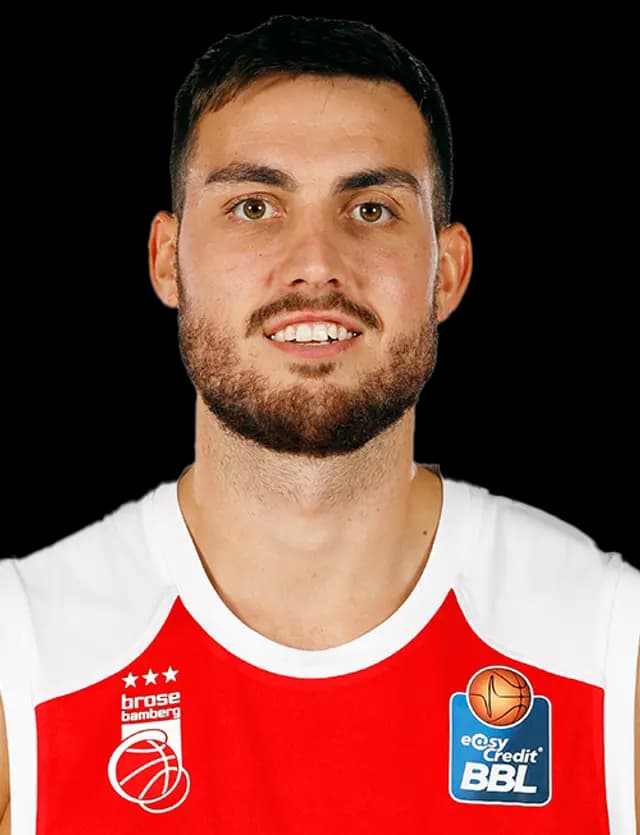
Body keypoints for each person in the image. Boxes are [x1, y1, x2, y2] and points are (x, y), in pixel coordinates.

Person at [0, 13, 638, 834]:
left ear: (448, 273)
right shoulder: (26, 658)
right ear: (167, 260)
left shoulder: (605, 651)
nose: (315, 264)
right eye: (254, 206)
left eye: (370, 209)